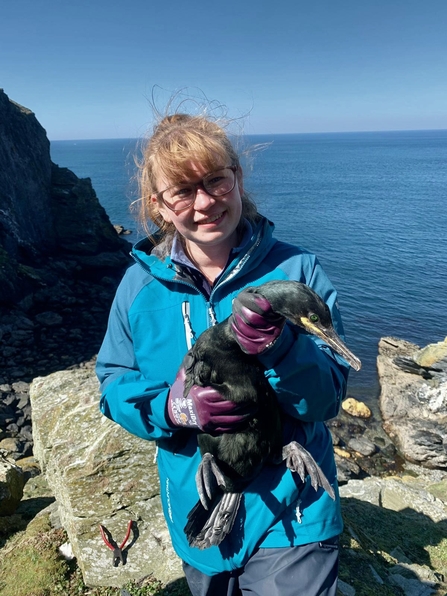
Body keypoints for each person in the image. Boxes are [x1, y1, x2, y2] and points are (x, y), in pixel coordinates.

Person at [96, 110, 352, 596]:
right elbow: (113, 385)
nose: (206, 202)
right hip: (200, 501)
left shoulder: (297, 270)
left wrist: (281, 347)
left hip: (293, 512)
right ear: (159, 205)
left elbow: (325, 400)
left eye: (217, 180)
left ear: (238, 176)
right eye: (183, 191)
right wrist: (170, 408)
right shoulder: (139, 286)